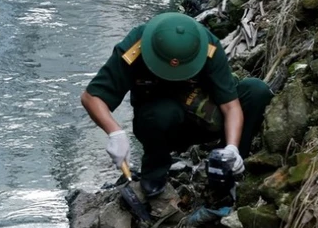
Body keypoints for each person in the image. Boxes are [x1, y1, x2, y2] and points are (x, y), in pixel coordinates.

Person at [81, 12, 274, 197]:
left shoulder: (207, 46)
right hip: (161, 125)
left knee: (256, 91)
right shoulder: (135, 46)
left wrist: (232, 147)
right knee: (161, 114)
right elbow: (92, 97)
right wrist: (115, 133)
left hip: (205, 115)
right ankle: (154, 172)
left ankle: (226, 166)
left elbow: (231, 106)